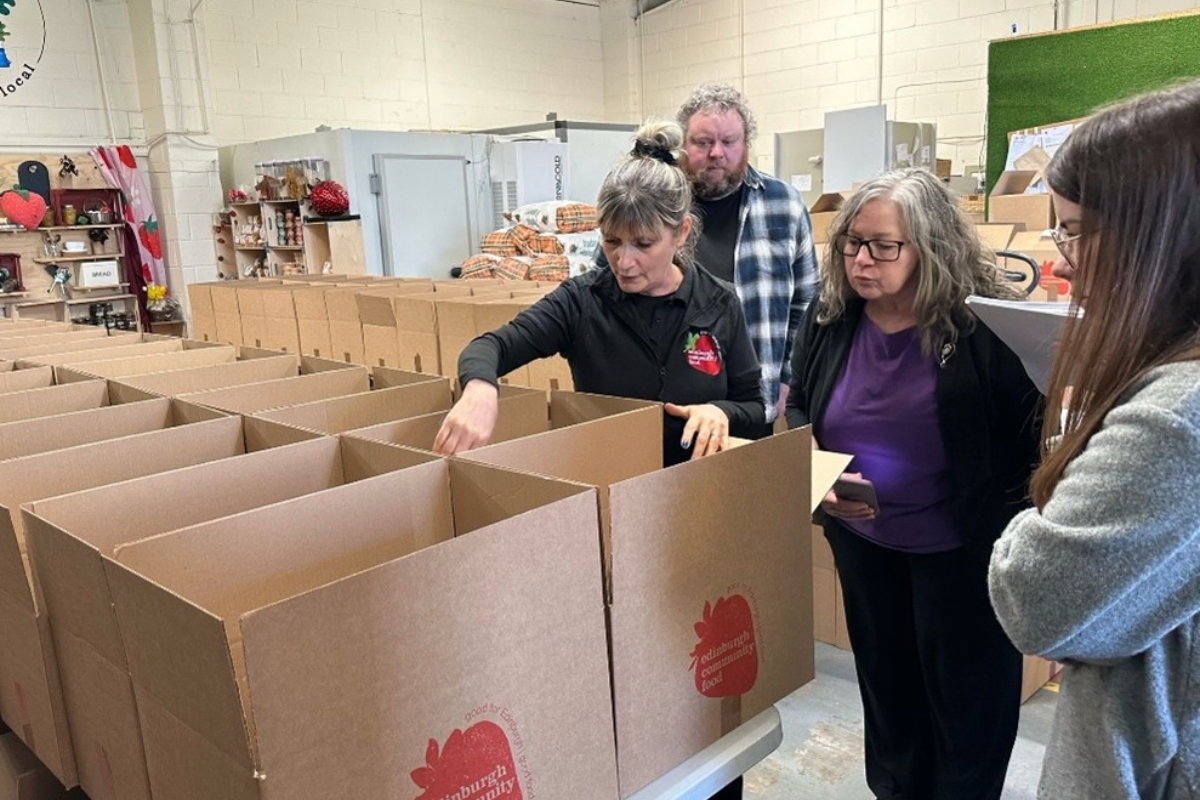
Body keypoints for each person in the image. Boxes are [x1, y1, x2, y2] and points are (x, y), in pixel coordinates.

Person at [785, 168, 1042, 800]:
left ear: (930, 246)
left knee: (968, 709)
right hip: (865, 547)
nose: (860, 261)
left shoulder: (986, 330)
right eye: (852, 243)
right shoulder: (831, 318)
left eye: (883, 246)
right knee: (889, 695)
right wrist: (815, 468)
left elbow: (1029, 444)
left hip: (962, 557)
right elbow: (799, 407)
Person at [989, 80, 1200, 800]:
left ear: (1160, 233)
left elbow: (1034, 596)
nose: (1061, 261)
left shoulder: (1178, 416)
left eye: (1076, 230)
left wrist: (1043, 505)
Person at [433, 119, 765, 473]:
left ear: (681, 232)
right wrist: (480, 388)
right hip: (610, 485)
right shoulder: (581, 302)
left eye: (643, 244)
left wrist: (720, 412)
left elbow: (755, 409)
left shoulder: (719, 303)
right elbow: (490, 347)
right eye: (612, 241)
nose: (624, 261)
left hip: (699, 487)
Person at [598, 83, 819, 431]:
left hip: (751, 402)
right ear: (683, 145)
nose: (716, 153)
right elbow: (605, 286)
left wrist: (789, 380)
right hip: (670, 410)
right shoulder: (652, 203)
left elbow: (806, 304)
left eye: (729, 142)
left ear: (746, 144)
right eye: (703, 142)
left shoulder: (784, 205)